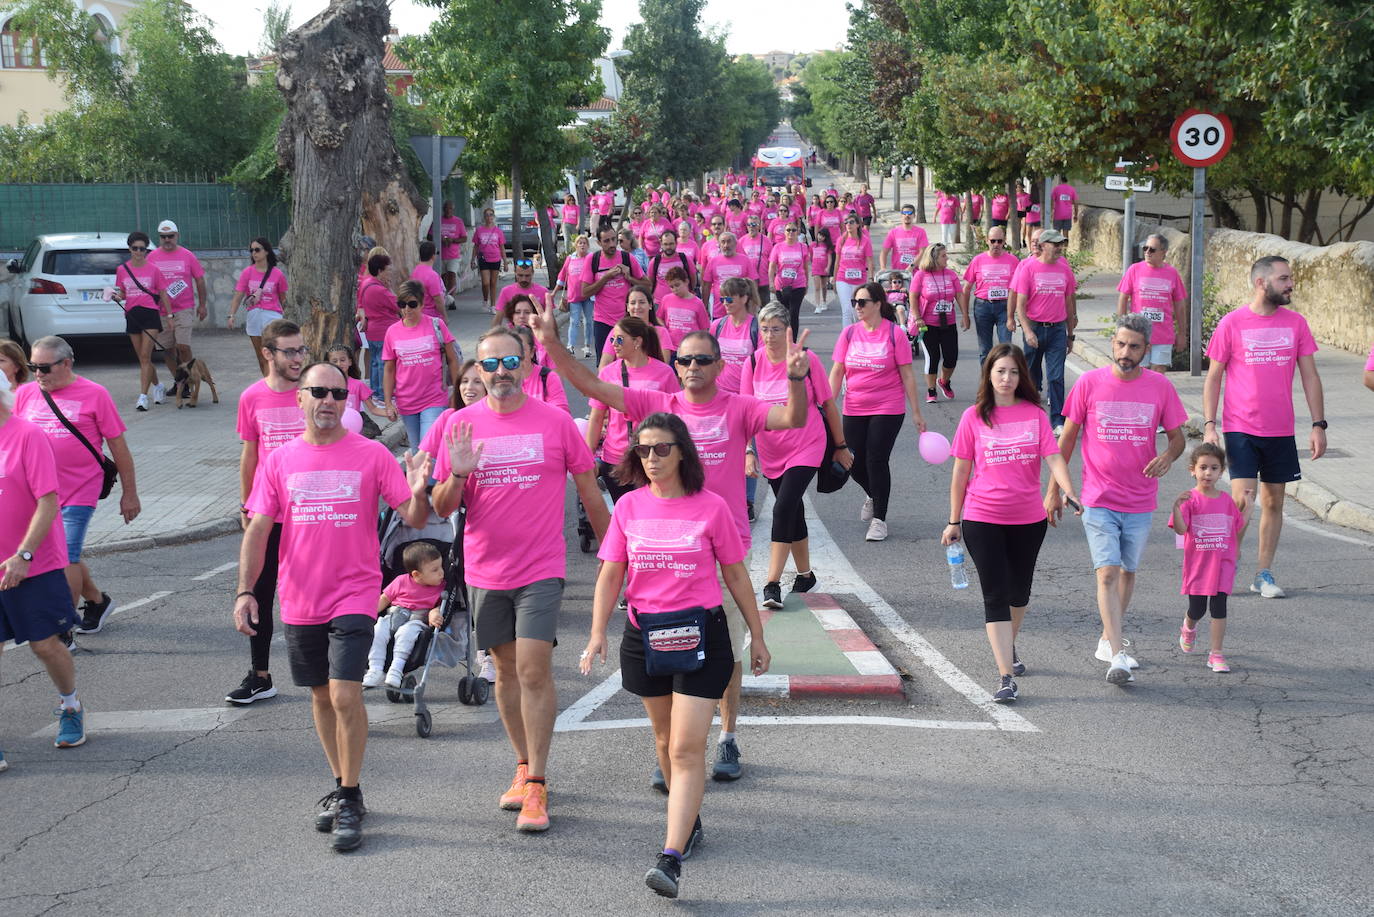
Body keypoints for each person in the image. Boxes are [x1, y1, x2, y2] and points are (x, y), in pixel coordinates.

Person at [534, 303, 811, 784]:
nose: (693, 368)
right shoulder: (656, 405)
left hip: (721, 546)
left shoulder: (738, 406)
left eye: (703, 360)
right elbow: (593, 386)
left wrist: (797, 379)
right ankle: (675, 752)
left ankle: (725, 735)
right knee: (668, 651)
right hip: (665, 547)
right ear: (675, 364)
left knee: (724, 651)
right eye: (685, 360)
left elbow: (791, 417)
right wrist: (552, 343)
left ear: (720, 366)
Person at [236, 361, 432, 851]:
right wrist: (244, 591)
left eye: (338, 394)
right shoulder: (279, 461)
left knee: (345, 694)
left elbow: (413, 515)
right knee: (321, 697)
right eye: (318, 392)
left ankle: (348, 794)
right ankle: (342, 784)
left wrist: (419, 484)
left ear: (348, 401)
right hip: (300, 595)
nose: (328, 401)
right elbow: (258, 529)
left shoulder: (371, 454)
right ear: (300, 398)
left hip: (355, 591)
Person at [581, 413, 771, 899]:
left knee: (686, 749)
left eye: (662, 448)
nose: (651, 458)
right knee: (665, 742)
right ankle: (689, 821)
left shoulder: (711, 508)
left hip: (702, 635)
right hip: (645, 635)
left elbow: (735, 575)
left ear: (682, 451)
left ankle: (670, 857)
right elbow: (610, 574)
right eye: (643, 450)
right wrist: (597, 631)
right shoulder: (628, 507)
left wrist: (757, 633)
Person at [431, 329, 610, 833]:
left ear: (528, 363)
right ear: (478, 371)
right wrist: (460, 474)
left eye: (510, 361)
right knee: (506, 673)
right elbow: (441, 509)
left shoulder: (555, 422)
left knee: (533, 669)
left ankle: (537, 785)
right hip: (485, 570)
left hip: (540, 569)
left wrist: (615, 556)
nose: (500, 372)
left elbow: (589, 492)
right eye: (490, 365)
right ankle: (524, 764)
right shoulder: (461, 425)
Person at [1049, 314, 1187, 685]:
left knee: (1127, 571)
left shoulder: (1160, 387)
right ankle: (1117, 653)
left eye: (1134, 347)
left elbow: (1178, 438)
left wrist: (1167, 457)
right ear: (1112, 344)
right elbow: (1065, 441)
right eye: (1121, 344)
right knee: (1107, 571)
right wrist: (1056, 491)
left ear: (1146, 349)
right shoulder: (1090, 384)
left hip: (1141, 500)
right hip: (1098, 496)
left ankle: (1108, 638)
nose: (1126, 353)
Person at [942, 343, 1080, 703]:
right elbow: (960, 473)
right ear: (989, 374)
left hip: (1028, 519)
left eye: (1014, 371)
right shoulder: (974, 417)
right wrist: (953, 520)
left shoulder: (1034, 415)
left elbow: (1054, 457)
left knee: (1020, 593)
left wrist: (1068, 491)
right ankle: (1005, 676)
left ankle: (1009, 644)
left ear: (1022, 376)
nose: (1007, 378)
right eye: (1000, 371)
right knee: (996, 595)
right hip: (981, 517)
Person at [1202, 255, 1326, 599]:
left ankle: (1263, 574)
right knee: (1243, 500)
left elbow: (1310, 376)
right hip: (1241, 427)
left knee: (1274, 502)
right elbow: (1213, 377)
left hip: (1280, 429)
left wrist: (1318, 425)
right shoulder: (1232, 323)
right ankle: (1225, 568)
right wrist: (1211, 425)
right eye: (1284, 278)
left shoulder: (1296, 323)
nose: (1290, 284)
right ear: (1262, 282)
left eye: (1290, 278)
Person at [14, 336, 139, 633]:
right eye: (33, 367)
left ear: (66, 363)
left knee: (65, 557)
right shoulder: (26, 394)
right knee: (58, 554)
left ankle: (63, 628)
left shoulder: (95, 394)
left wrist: (130, 495)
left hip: (78, 490)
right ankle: (96, 600)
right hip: (36, 494)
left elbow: (119, 448)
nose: (38, 374)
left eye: (44, 368)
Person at [0, 371, 87, 767]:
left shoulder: (27, 435)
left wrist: (24, 554)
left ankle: (70, 706)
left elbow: (48, 502)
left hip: (32, 564)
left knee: (44, 645)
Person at [742, 303, 848, 608]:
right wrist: (748, 452)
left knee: (783, 507)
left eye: (776, 328)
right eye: (764, 329)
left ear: (788, 331)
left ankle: (771, 583)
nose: (770, 335)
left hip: (807, 444)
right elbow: (746, 413)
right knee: (793, 510)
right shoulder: (752, 362)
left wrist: (840, 447)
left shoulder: (806, 358)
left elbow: (828, 404)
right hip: (771, 451)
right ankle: (805, 575)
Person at [229, 319, 308, 705]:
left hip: (312, 512)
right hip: (268, 514)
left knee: (317, 591)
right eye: (289, 351)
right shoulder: (252, 397)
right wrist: (248, 503)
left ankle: (335, 672)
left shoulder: (312, 393)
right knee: (259, 592)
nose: (298, 358)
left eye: (301, 350)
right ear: (268, 353)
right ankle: (260, 675)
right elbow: (250, 453)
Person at [829, 282, 927, 542]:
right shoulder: (849, 334)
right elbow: (837, 371)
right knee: (852, 461)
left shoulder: (894, 334)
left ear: (878, 304)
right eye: (854, 303)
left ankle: (879, 519)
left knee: (876, 459)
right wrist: (824, 406)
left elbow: (908, 375)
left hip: (888, 407)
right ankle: (874, 495)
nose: (857, 307)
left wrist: (916, 412)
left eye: (862, 302)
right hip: (854, 406)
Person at [1170, 443, 1253, 674]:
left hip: (1223, 564)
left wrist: (1249, 507)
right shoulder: (1189, 499)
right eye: (1203, 467)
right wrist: (1176, 508)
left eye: (1214, 468)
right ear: (1192, 470)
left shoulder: (1226, 500)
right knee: (1197, 609)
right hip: (1198, 565)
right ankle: (1188, 626)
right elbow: (1180, 529)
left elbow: (1236, 527)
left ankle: (1216, 653)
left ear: (1221, 471)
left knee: (1219, 606)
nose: (1208, 472)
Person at [586, 316, 679, 504]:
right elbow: (596, 419)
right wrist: (588, 459)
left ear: (637, 341)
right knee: (625, 516)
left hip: (654, 457)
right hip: (615, 458)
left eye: (619, 339)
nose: (614, 344)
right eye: (612, 339)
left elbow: (676, 418)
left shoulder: (664, 372)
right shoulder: (607, 373)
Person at [382, 280, 462, 450]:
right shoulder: (392, 332)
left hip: (433, 398)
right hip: (406, 401)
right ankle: (421, 477)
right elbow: (389, 369)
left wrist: (456, 392)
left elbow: (452, 360)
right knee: (417, 449)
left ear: (422, 303)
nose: (406, 309)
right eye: (402, 304)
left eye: (412, 304)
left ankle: (431, 477)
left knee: (428, 450)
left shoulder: (436, 325)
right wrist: (388, 403)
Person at [1010, 228, 1076, 433]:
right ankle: (1031, 416)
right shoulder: (1028, 268)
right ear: (1043, 245)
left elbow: (1069, 304)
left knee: (1056, 376)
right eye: (1055, 244)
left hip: (1056, 330)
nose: (1059, 248)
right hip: (1035, 328)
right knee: (1031, 377)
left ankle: (1057, 421)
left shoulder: (1064, 269)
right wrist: (1028, 332)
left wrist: (1070, 334)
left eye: (1061, 244)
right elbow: (1021, 305)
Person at [362, 541, 446, 689]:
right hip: (395, 615)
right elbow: (385, 598)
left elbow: (438, 606)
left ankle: (396, 669)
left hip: (417, 619)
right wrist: (368, 613)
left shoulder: (440, 587)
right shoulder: (401, 581)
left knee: (405, 634)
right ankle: (375, 668)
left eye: (441, 567)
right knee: (378, 630)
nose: (441, 572)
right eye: (435, 570)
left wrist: (434, 613)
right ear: (416, 574)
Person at [110, 231, 170, 412]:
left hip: (150, 314)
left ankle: (143, 397)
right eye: (135, 248)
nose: (138, 251)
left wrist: (170, 315)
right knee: (142, 359)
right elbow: (122, 293)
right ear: (129, 249)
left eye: (142, 249)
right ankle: (158, 386)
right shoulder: (122, 270)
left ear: (146, 250)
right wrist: (116, 297)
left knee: (145, 356)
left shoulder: (154, 269)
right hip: (132, 315)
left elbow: (162, 293)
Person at [146, 219, 208, 386]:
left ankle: (190, 377)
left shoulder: (187, 255)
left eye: (170, 236)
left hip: (184, 308)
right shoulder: (152, 257)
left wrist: (202, 305)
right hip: (161, 311)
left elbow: (200, 280)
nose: (167, 240)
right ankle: (179, 381)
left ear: (177, 236)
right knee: (167, 350)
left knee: (183, 346)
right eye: (163, 236)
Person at [1116, 234, 1187, 372]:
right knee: (1138, 371)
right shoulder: (1134, 270)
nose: (1147, 252)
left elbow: (1180, 305)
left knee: (1158, 372)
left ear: (1163, 252)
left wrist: (1182, 334)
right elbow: (1123, 298)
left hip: (1163, 334)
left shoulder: (1172, 273)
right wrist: (1121, 328)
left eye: (1152, 249)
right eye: (1145, 248)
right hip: (1138, 333)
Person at [910, 243, 969, 403]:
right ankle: (931, 390)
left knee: (951, 357)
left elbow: (959, 294)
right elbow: (913, 297)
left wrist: (965, 315)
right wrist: (917, 317)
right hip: (928, 324)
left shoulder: (950, 274)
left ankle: (944, 381)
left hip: (948, 323)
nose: (947, 258)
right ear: (934, 258)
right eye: (943, 255)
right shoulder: (921, 275)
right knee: (933, 357)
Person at [227, 238, 289, 377]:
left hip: (273, 317)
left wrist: (288, 319)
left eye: (257, 249)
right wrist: (232, 315)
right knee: (262, 357)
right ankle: (268, 387)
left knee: (275, 355)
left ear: (266, 251)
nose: (254, 253)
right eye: (251, 250)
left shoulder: (277, 274)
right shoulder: (247, 272)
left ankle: (278, 383)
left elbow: (283, 298)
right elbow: (238, 295)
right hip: (254, 317)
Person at [582, 226, 648, 356]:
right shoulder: (592, 260)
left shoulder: (627, 258)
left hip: (626, 320)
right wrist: (606, 277)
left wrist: (629, 278)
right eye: (606, 241)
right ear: (599, 243)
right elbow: (584, 292)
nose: (612, 244)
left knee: (628, 362)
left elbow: (647, 285)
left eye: (614, 239)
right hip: (602, 322)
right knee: (604, 366)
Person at [963, 226, 1020, 365]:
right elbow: (966, 289)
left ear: (1004, 241)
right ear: (987, 241)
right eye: (993, 241)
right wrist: (965, 315)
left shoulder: (1013, 261)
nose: (996, 244)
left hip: (1004, 307)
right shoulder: (978, 260)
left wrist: (1017, 314)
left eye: (999, 241)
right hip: (983, 307)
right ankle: (987, 384)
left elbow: (1020, 289)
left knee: (1006, 349)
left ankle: (1005, 382)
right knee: (985, 351)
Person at [597, 287, 675, 369]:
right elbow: (604, 365)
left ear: (650, 305)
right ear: (627, 307)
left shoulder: (660, 332)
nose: (637, 307)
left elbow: (664, 365)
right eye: (633, 303)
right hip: (620, 380)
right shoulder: (616, 332)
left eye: (642, 302)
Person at [354, 253, 395, 402]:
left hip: (372, 329)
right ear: (379, 270)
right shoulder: (379, 289)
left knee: (375, 362)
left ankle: (375, 390)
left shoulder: (366, 283)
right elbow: (397, 304)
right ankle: (382, 393)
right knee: (382, 363)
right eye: (387, 270)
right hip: (383, 330)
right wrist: (390, 288)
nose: (389, 273)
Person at [768, 222, 811, 338]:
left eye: (793, 230)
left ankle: (793, 341)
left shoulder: (803, 247)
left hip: (798, 284)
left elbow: (806, 267)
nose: (791, 232)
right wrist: (771, 282)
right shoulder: (778, 247)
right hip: (781, 285)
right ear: (784, 232)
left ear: (797, 232)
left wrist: (807, 283)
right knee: (784, 313)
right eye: (788, 230)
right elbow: (772, 266)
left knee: (794, 313)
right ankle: (784, 339)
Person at [556, 234, 594, 358]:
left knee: (588, 321)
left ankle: (587, 346)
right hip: (574, 296)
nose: (582, 245)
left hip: (588, 295)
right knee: (574, 321)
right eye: (580, 243)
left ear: (588, 246)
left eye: (584, 243)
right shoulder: (570, 259)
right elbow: (562, 276)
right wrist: (554, 292)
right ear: (575, 245)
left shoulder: (591, 258)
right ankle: (570, 346)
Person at [701, 232, 753, 320]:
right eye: (723, 242)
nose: (726, 245)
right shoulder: (713, 261)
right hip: (719, 311)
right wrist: (705, 307)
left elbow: (752, 284)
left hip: (740, 310)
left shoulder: (745, 260)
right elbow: (706, 285)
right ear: (719, 245)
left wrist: (751, 305)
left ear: (736, 243)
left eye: (729, 242)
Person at [833, 216, 873, 330]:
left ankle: (859, 333)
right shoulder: (841, 240)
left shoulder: (865, 241)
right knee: (846, 310)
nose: (848, 225)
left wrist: (870, 279)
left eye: (851, 222)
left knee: (857, 310)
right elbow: (837, 261)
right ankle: (847, 338)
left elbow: (870, 261)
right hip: (843, 279)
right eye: (846, 222)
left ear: (858, 225)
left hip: (859, 280)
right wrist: (834, 279)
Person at [324, 346, 385, 418]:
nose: (339, 364)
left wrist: (391, 413)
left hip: (353, 427)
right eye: (334, 361)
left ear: (350, 362)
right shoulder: (324, 385)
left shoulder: (358, 385)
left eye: (342, 360)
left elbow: (373, 409)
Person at [658, 268, 710, 350]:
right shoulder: (666, 299)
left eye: (677, 285)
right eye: (671, 287)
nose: (675, 289)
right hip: (671, 347)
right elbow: (659, 317)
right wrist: (664, 328)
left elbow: (704, 329)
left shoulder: (698, 303)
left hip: (691, 348)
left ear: (686, 282)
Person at [494, 259, 551, 328]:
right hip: (514, 335)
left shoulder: (544, 292)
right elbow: (498, 318)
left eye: (527, 276)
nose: (524, 279)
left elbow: (550, 319)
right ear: (515, 273)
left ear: (532, 273)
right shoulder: (506, 291)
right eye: (520, 275)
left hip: (537, 334)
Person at [471, 208, 507, 314]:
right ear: (484, 217)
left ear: (493, 217)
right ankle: (485, 300)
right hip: (483, 258)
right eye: (487, 215)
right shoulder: (479, 230)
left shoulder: (498, 231)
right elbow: (476, 246)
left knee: (493, 283)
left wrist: (505, 262)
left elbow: (502, 247)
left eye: (491, 215)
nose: (489, 217)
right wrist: (472, 259)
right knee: (485, 283)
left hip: (495, 258)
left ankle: (493, 305)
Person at [649, 229, 698, 303]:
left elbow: (693, 278)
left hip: (682, 301)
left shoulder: (684, 259)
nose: (668, 247)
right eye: (665, 244)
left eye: (671, 244)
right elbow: (650, 281)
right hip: (660, 302)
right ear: (661, 244)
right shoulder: (655, 261)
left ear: (676, 243)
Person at [881, 205, 929, 273]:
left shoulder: (921, 232)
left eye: (910, 213)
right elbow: (884, 252)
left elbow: (923, 252)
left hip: (915, 272)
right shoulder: (893, 232)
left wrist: (911, 266)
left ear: (914, 216)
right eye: (905, 213)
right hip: (897, 273)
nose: (907, 215)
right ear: (901, 216)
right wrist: (883, 267)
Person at [439, 200, 468, 307]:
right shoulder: (438, 220)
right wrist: (441, 239)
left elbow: (464, 238)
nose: (448, 210)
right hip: (440, 254)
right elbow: (429, 236)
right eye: (446, 208)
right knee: (442, 278)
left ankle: (451, 300)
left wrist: (452, 240)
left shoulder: (458, 221)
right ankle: (443, 299)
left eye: (450, 208)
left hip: (453, 255)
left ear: (453, 210)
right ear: (443, 209)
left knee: (451, 275)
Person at [739, 216, 773, 304]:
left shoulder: (766, 240)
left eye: (754, 224)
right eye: (749, 224)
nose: (751, 227)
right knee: (749, 310)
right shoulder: (741, 241)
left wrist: (772, 279)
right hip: (747, 282)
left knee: (764, 310)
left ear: (759, 226)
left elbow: (772, 262)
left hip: (763, 281)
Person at [411, 241, 446, 319]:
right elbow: (438, 300)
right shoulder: (432, 275)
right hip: (431, 316)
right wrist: (444, 316)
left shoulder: (414, 272)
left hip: (417, 313)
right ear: (433, 256)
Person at [810, 226, 835, 314]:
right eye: (819, 235)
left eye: (822, 236)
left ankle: (824, 301)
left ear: (826, 237)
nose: (820, 237)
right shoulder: (813, 245)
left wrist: (828, 267)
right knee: (817, 287)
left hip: (824, 268)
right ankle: (817, 305)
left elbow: (829, 258)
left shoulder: (827, 246)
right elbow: (810, 256)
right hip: (815, 268)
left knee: (824, 286)